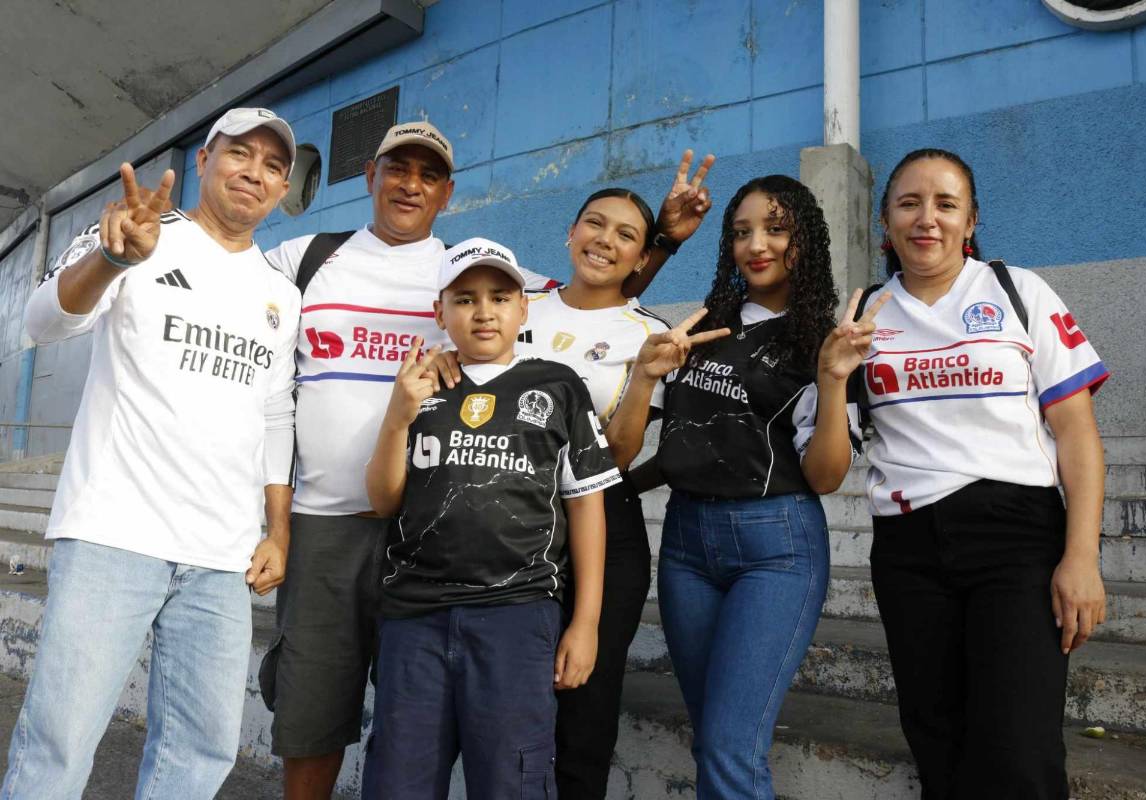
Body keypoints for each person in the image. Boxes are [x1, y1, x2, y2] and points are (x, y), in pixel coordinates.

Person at [260, 129, 710, 797]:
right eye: (397, 169)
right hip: (366, 530)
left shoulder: (529, 298)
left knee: (522, 740)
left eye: (429, 175)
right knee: (350, 727)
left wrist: (666, 243)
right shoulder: (313, 258)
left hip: (497, 552)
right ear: (369, 175)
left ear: (448, 191)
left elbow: (604, 293)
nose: (483, 311)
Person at [2, 107, 301, 798]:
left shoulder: (280, 296)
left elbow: (275, 415)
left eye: (272, 165)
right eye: (239, 154)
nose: (254, 172)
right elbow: (42, 322)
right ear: (203, 161)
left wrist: (277, 531)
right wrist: (110, 259)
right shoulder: (142, 232)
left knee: (199, 754)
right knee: (59, 742)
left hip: (221, 557)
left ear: (283, 189)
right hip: (114, 534)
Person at [426, 154, 715, 797]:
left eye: (625, 236)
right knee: (499, 710)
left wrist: (642, 376)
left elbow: (616, 455)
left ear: (643, 258)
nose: (604, 242)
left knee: (583, 713)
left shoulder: (647, 332)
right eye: (594, 224)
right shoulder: (516, 304)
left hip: (601, 526)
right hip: (505, 518)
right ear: (569, 233)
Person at [860, 148, 1108, 799]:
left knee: (1019, 754)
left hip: (1017, 538)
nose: (927, 218)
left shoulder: (1018, 291)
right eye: (909, 203)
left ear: (971, 220)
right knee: (940, 747)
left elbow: (1077, 434)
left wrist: (1081, 556)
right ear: (884, 223)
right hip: (908, 548)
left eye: (946, 204)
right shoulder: (861, 314)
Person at [627, 174, 884, 798]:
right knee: (713, 733)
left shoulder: (824, 340)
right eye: (741, 232)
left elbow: (825, 475)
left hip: (776, 545)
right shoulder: (704, 324)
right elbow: (683, 444)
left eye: (775, 229)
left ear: (807, 240)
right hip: (687, 544)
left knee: (728, 747)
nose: (756, 245)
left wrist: (828, 380)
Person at [361, 238, 620, 798]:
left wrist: (587, 621)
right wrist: (397, 418)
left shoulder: (557, 385)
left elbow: (586, 505)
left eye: (500, 297)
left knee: (512, 779)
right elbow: (384, 500)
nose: (483, 312)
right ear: (440, 312)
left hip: (517, 616)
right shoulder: (421, 384)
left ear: (523, 307)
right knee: (397, 780)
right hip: (415, 618)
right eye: (465, 299)